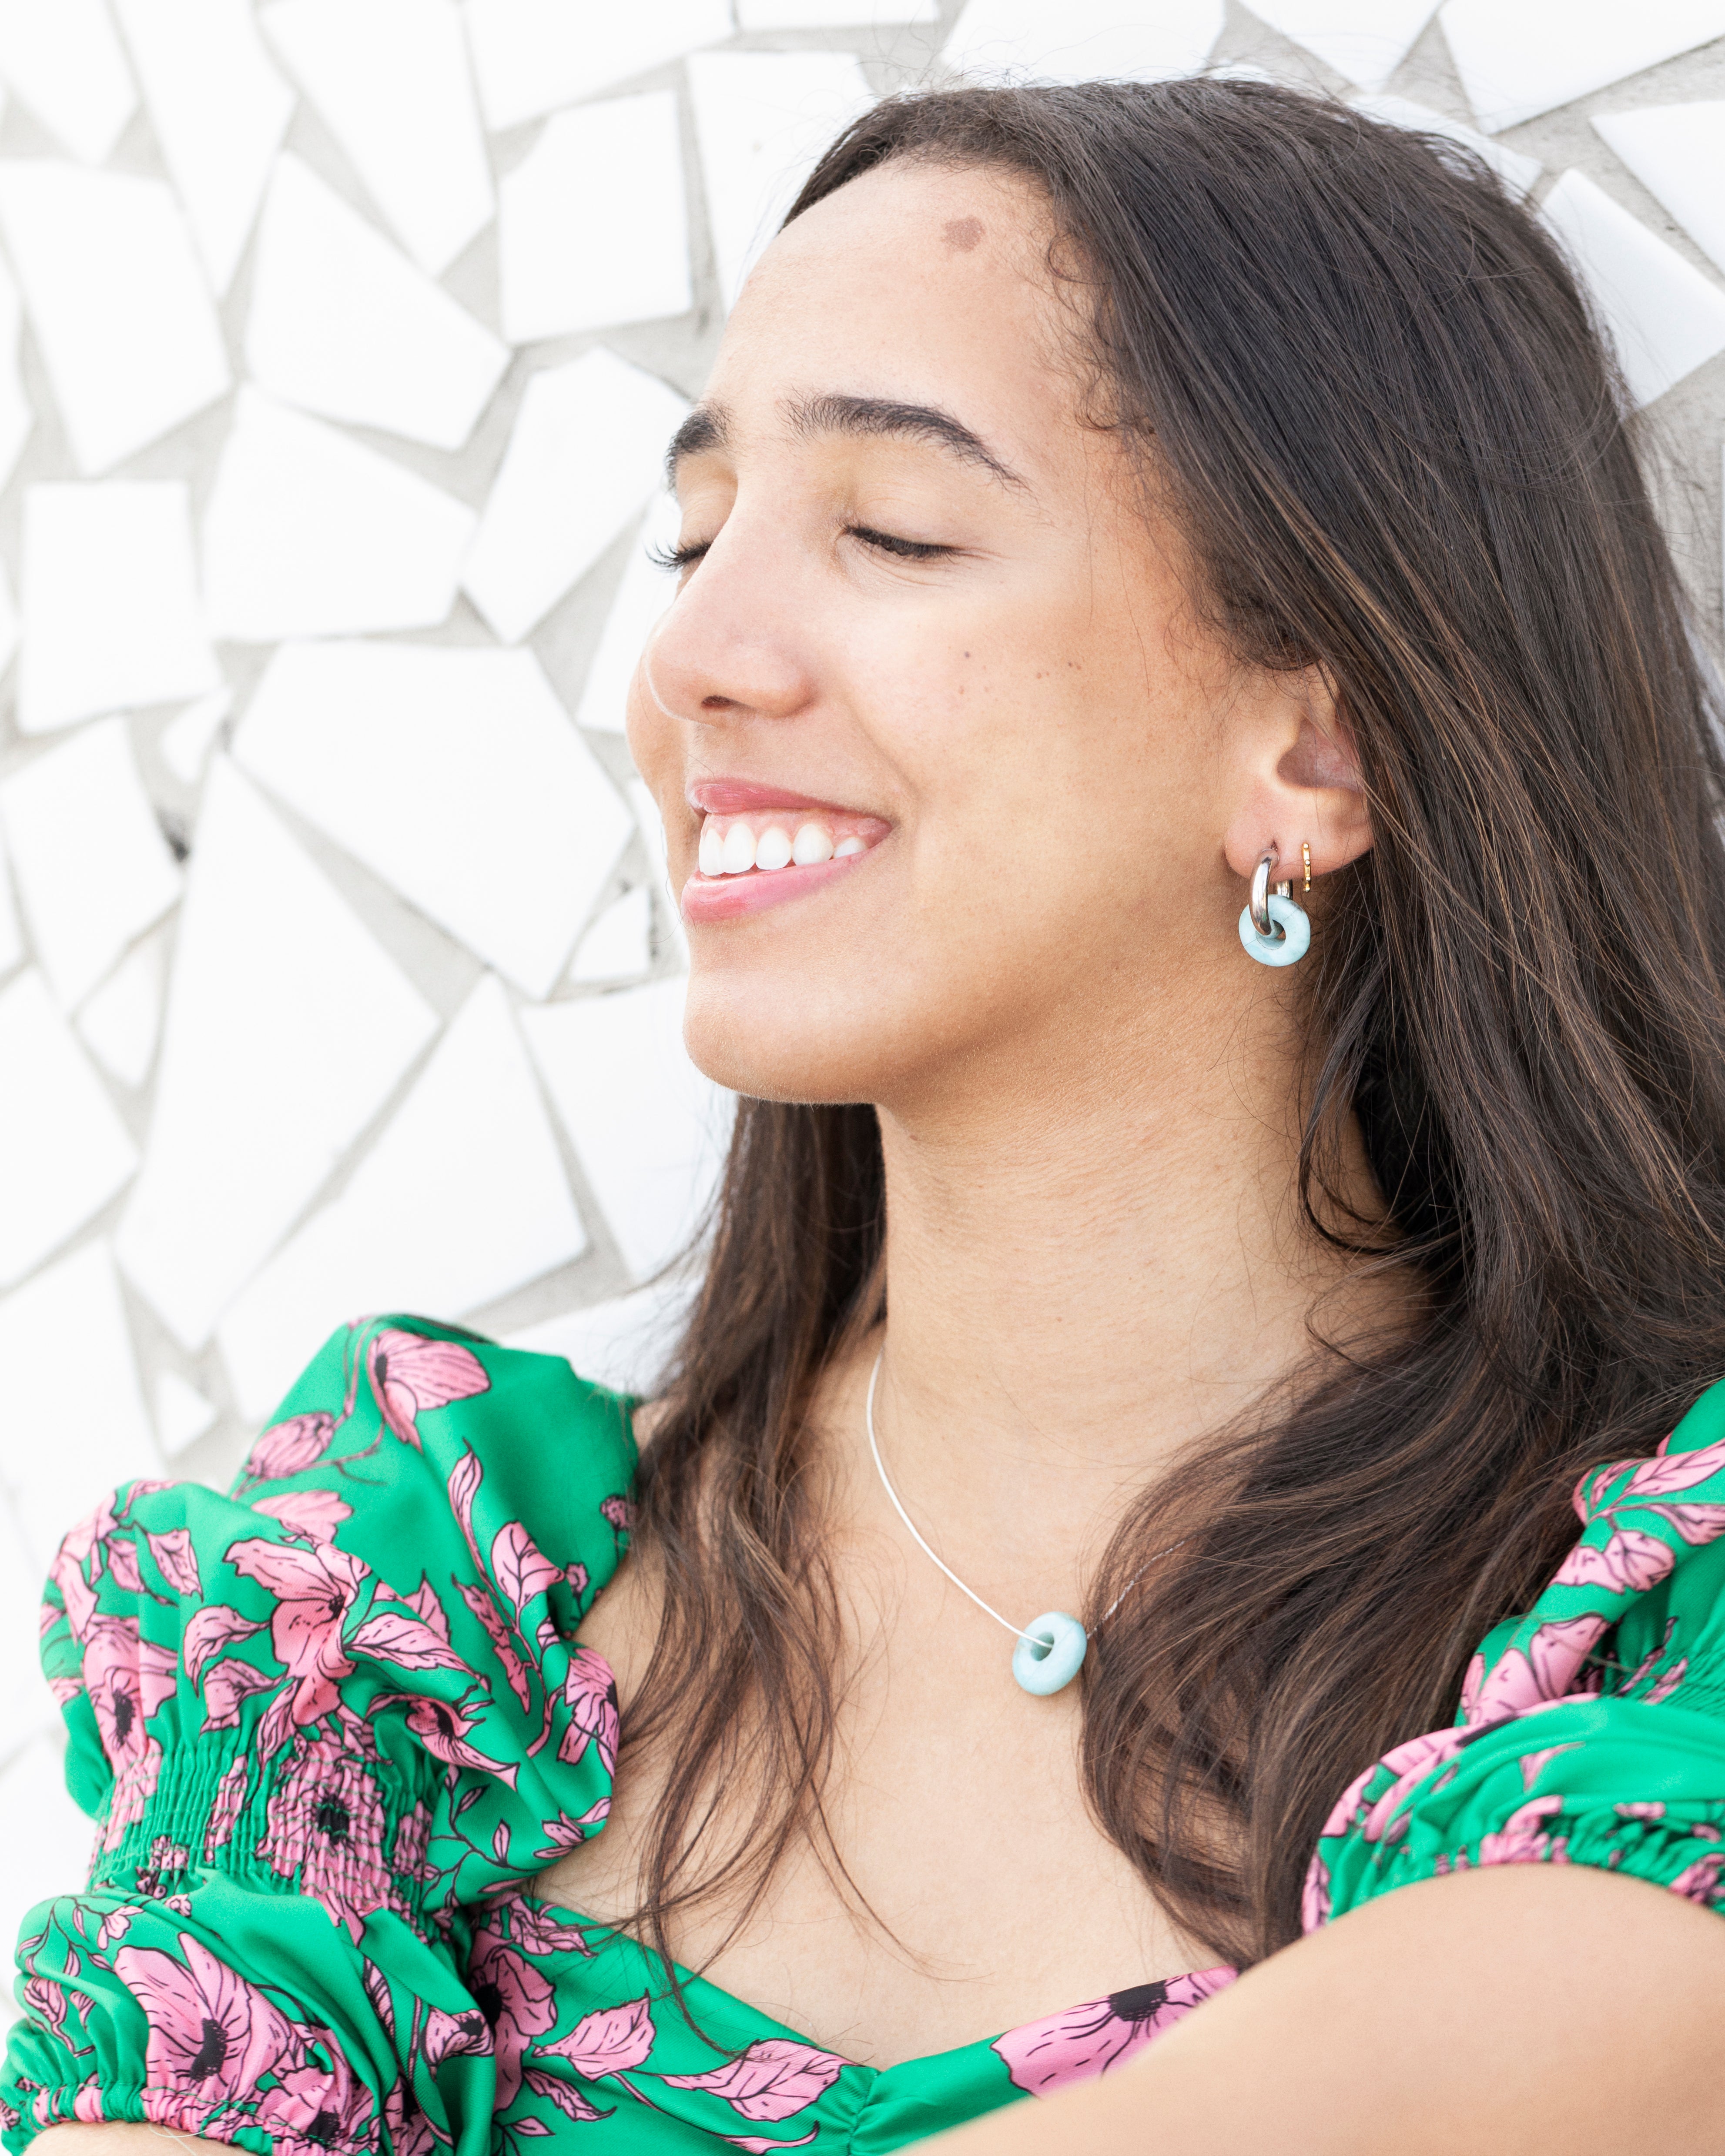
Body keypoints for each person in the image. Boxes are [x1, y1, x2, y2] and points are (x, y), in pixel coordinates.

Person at [11, 74, 1725, 2156]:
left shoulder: (1651, 1626)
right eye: (693, 531)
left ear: (1318, 742)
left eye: (889, 533)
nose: (694, 655)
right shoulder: (408, 1608)